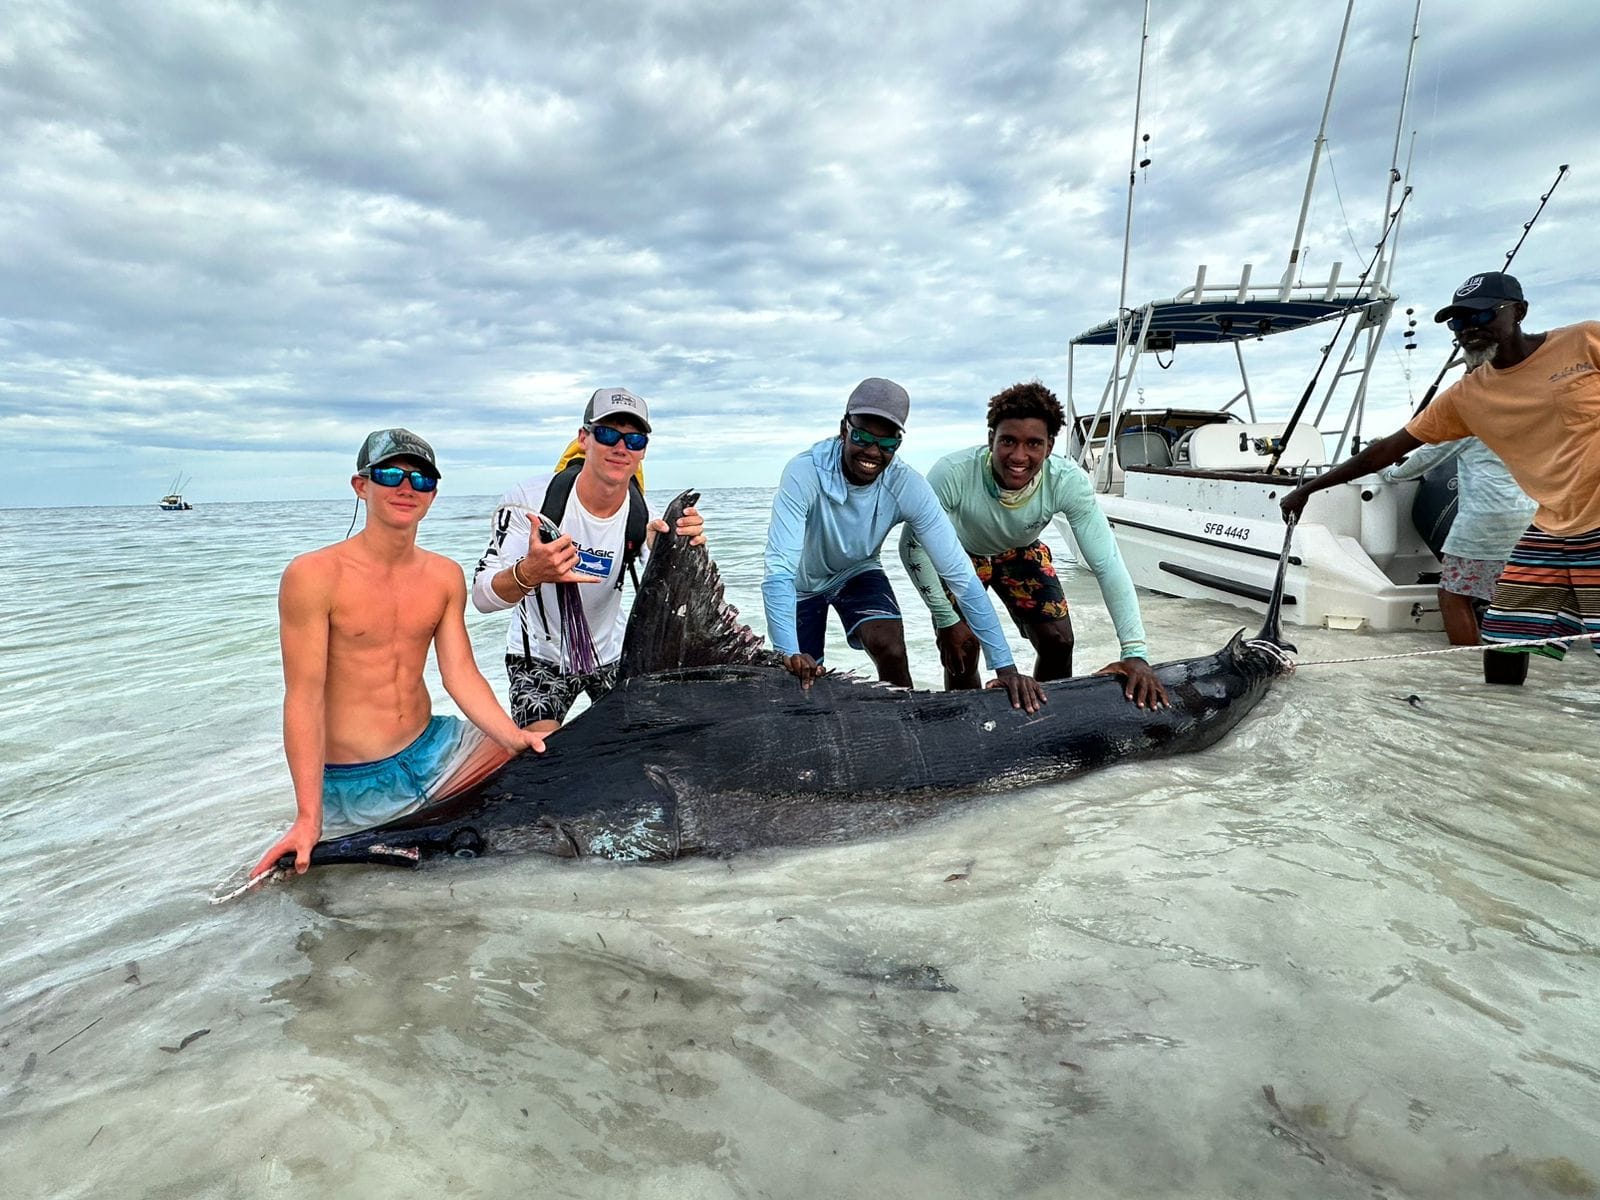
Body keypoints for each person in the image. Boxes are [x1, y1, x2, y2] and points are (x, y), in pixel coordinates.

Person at [251, 429, 546, 877]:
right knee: (340, 890)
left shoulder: (444, 575)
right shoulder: (313, 575)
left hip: (436, 749)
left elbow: (460, 673)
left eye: (422, 479)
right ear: (361, 485)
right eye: (391, 475)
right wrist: (308, 817)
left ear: (433, 495)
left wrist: (510, 738)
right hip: (357, 781)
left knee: (544, 758)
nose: (407, 487)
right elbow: (303, 697)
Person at [1280, 271, 1600, 684]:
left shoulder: (1583, 340)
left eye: (1482, 315)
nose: (1469, 328)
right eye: (1458, 321)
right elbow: (1387, 451)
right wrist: (1309, 488)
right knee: (1504, 635)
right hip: (1552, 523)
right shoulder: (1466, 396)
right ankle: (1496, 714)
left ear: (1519, 312)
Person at [761, 377, 1047, 712]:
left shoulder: (907, 485)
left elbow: (960, 575)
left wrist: (1005, 667)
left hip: (857, 572)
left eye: (887, 443)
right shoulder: (805, 472)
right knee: (802, 680)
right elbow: (779, 570)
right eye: (862, 437)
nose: (872, 451)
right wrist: (788, 652)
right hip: (800, 585)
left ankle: (907, 722)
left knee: (892, 648)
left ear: (898, 443)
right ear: (844, 429)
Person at [899, 381, 1168, 708]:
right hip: (960, 553)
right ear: (991, 439)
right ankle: (965, 719)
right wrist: (945, 618)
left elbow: (1108, 564)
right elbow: (912, 545)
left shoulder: (1066, 481)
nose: (1018, 456)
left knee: (1059, 641)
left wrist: (1135, 652)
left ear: (1050, 446)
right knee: (962, 648)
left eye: (1033, 444)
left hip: (1020, 550)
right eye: (1008, 441)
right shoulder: (952, 473)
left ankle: (1046, 715)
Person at [472, 387, 704, 733]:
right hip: (540, 658)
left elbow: (678, 597)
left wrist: (677, 550)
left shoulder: (645, 515)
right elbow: (482, 597)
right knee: (544, 751)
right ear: (584, 438)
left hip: (613, 656)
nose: (621, 448)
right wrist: (529, 572)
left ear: (643, 451)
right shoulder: (529, 501)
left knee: (648, 745)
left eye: (634, 440)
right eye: (607, 434)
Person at [1379, 436, 1535, 645]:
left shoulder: (1466, 427)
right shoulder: (1525, 423)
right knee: (1510, 593)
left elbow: (1423, 459)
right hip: (1529, 519)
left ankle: (1468, 657)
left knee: (1453, 593)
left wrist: (1388, 473)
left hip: (1485, 524)